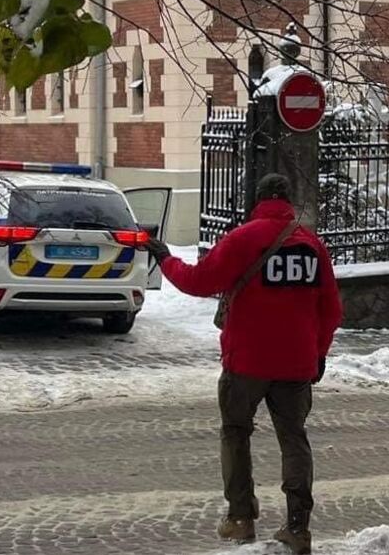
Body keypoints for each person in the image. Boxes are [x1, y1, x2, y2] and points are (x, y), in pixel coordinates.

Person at [146, 173, 341, 554]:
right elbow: (331, 310)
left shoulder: (244, 238)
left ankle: (240, 518)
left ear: (258, 200)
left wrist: (166, 260)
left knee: (236, 431)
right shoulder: (313, 246)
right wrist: (319, 352)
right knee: (294, 438)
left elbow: (200, 280)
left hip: (247, 360)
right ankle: (298, 527)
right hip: (298, 362)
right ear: (289, 200)